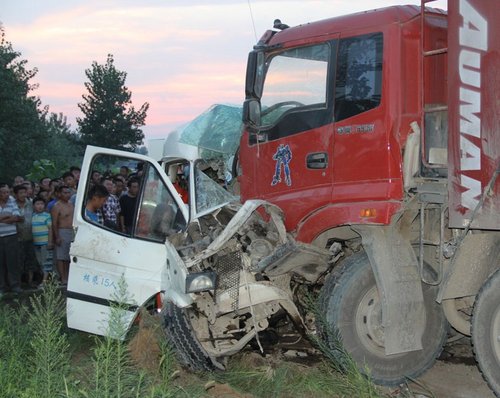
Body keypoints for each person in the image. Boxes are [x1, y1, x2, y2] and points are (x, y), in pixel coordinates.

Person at [14, 184, 38, 288]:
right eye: (21, 193)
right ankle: (18, 283)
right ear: (16, 194)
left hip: (31, 236)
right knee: (18, 260)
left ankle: (30, 281)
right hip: (16, 237)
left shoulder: (31, 203)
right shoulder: (13, 205)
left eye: (24, 192)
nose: (23, 195)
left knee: (31, 260)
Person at [0, 183, 22, 296]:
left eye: (7, 192)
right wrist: (8, 217)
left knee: (12, 262)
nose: (6, 194)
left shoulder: (12, 200)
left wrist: (1, 219)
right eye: (3, 192)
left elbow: (17, 217)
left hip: (11, 235)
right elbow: (11, 217)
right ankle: (2, 287)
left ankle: (15, 285)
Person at [51, 185, 74, 285]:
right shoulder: (57, 206)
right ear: (59, 194)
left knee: (69, 257)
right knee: (61, 257)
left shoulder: (71, 204)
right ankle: (63, 277)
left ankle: (69, 276)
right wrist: (57, 236)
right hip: (62, 231)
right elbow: (54, 223)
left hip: (71, 231)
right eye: (64, 192)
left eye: (68, 192)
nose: (67, 194)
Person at [32, 197, 53, 287]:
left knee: (46, 262)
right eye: (37, 204)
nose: (40, 206)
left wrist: (50, 242)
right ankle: (46, 279)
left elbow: (50, 229)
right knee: (40, 262)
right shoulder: (33, 216)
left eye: (42, 204)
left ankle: (44, 281)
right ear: (33, 206)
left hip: (45, 242)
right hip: (36, 243)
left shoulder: (47, 216)